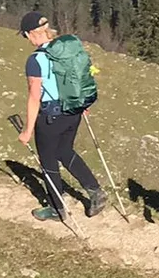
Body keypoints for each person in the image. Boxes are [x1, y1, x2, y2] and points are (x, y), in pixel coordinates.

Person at [17, 12, 105, 221]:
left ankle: (58, 208)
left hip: (51, 117)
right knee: (65, 150)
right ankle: (95, 191)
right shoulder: (67, 49)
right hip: (73, 111)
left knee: (48, 160)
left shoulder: (36, 60)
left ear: (31, 34)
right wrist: (80, 102)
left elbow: (34, 97)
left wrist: (27, 130)